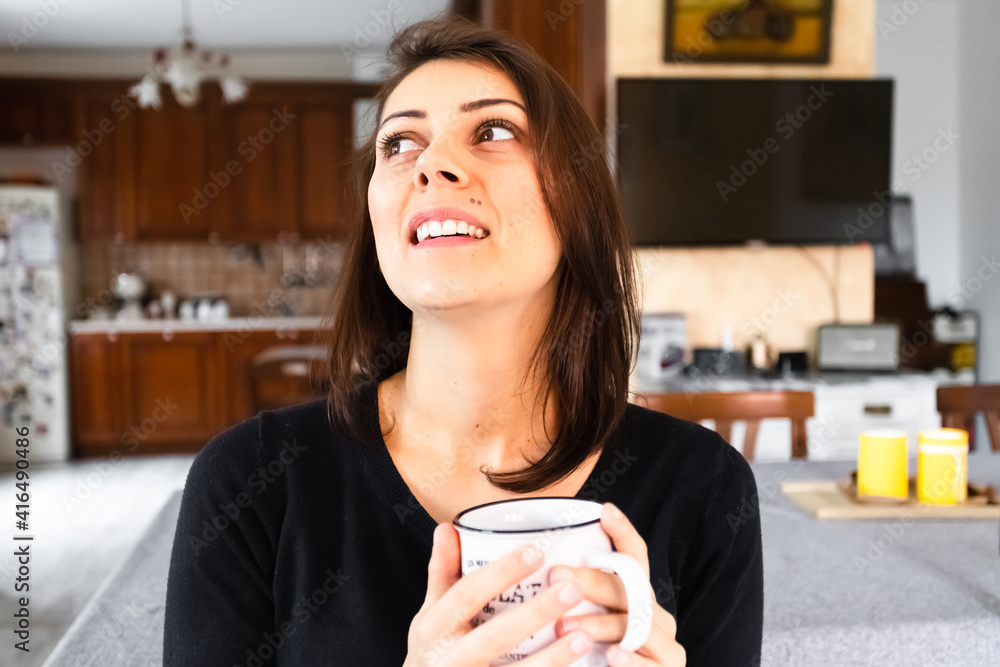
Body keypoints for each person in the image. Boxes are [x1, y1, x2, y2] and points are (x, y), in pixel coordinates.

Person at [163, 17, 763, 667]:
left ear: (579, 200)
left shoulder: (706, 486)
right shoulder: (249, 484)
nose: (432, 163)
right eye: (398, 143)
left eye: (494, 130)